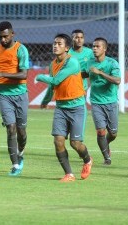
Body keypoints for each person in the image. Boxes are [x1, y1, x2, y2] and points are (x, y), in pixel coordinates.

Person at [37, 33, 93, 182]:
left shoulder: (72, 62)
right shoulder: (52, 64)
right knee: (58, 141)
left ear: (67, 48)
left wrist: (39, 77)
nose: (55, 45)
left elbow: (55, 80)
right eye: (54, 43)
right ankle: (69, 174)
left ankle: (87, 160)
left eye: (60, 44)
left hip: (77, 106)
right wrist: (45, 100)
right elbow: (52, 86)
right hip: (61, 107)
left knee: (75, 144)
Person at [0, 21, 29, 176]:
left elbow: (24, 74)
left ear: (12, 34)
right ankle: (15, 164)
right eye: (0, 37)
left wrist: (1, 74)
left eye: (5, 36)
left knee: (22, 132)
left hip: (20, 94)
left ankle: (21, 152)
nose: (2, 40)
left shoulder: (21, 50)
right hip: (3, 94)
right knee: (11, 128)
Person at [84, 37, 120, 165]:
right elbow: (84, 73)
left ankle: (106, 143)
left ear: (104, 48)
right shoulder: (89, 62)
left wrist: (100, 73)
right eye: (93, 46)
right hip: (96, 102)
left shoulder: (112, 63)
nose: (94, 48)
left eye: (97, 46)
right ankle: (106, 157)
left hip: (111, 101)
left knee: (113, 133)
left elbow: (117, 80)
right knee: (100, 131)